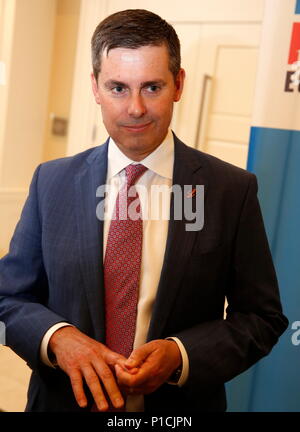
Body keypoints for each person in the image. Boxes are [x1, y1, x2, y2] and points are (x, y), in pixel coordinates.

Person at [0, 9, 288, 412]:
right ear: (95, 87)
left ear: (178, 84)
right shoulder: (52, 182)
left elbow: (262, 318)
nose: (135, 107)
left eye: (151, 87)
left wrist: (180, 355)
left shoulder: (230, 190)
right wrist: (57, 337)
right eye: (118, 87)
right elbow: (8, 298)